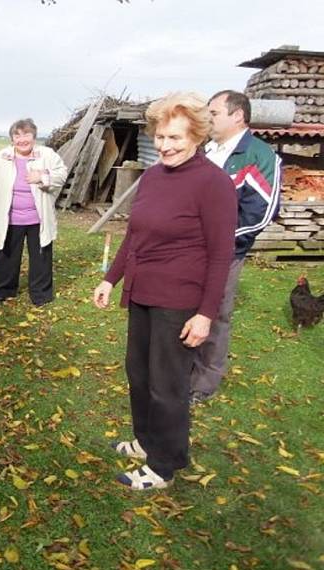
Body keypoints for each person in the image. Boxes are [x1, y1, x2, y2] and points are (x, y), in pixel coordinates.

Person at [93, 92, 237, 490]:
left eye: (175, 138)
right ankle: (146, 440)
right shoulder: (154, 176)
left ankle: (164, 464)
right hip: (142, 292)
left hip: (179, 301)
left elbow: (221, 255)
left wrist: (205, 314)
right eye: (160, 137)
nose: (165, 146)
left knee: (167, 384)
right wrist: (111, 279)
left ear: (196, 136)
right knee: (138, 374)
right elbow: (135, 235)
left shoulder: (213, 183)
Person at [189, 90, 282, 404]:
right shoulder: (207, 150)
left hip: (225, 253)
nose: (208, 119)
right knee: (183, 308)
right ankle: (179, 368)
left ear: (238, 115)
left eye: (214, 113)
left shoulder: (258, 155)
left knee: (214, 316)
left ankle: (202, 383)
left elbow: (262, 212)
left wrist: (217, 240)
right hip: (188, 250)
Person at [0, 118, 67, 306]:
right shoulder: (1, 157)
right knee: (6, 255)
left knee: (41, 258)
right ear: (12, 139)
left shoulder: (46, 155)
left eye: (26, 134)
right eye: (17, 135)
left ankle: (41, 295)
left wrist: (43, 176)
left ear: (34, 136)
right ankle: (2, 292)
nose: (22, 139)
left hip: (38, 218)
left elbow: (62, 174)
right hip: (10, 217)